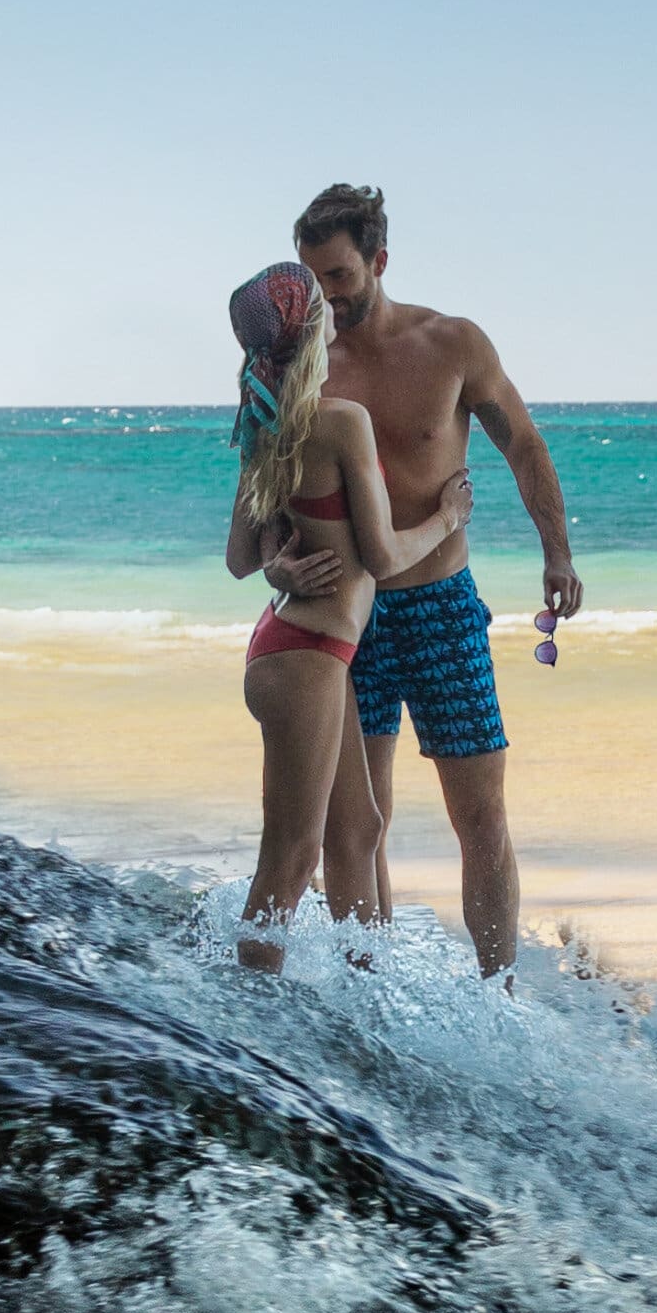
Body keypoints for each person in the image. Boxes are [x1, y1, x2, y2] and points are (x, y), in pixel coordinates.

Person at [253, 179, 586, 972]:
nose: (324, 296)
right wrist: (275, 560)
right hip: (345, 615)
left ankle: (497, 993)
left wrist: (557, 551)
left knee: (481, 817)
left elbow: (524, 447)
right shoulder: (304, 368)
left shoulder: (452, 345)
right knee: (356, 827)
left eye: (338, 276)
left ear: (379, 261)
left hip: (441, 607)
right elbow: (268, 495)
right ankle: (371, 995)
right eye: (312, 279)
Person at [220, 262, 442, 966]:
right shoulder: (343, 422)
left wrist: (277, 565)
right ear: (315, 328)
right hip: (306, 660)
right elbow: (380, 555)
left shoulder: (264, 423)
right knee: (291, 856)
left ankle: (368, 996)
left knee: (362, 829)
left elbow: (238, 559)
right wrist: (447, 519)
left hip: (299, 650)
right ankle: (248, 1023)